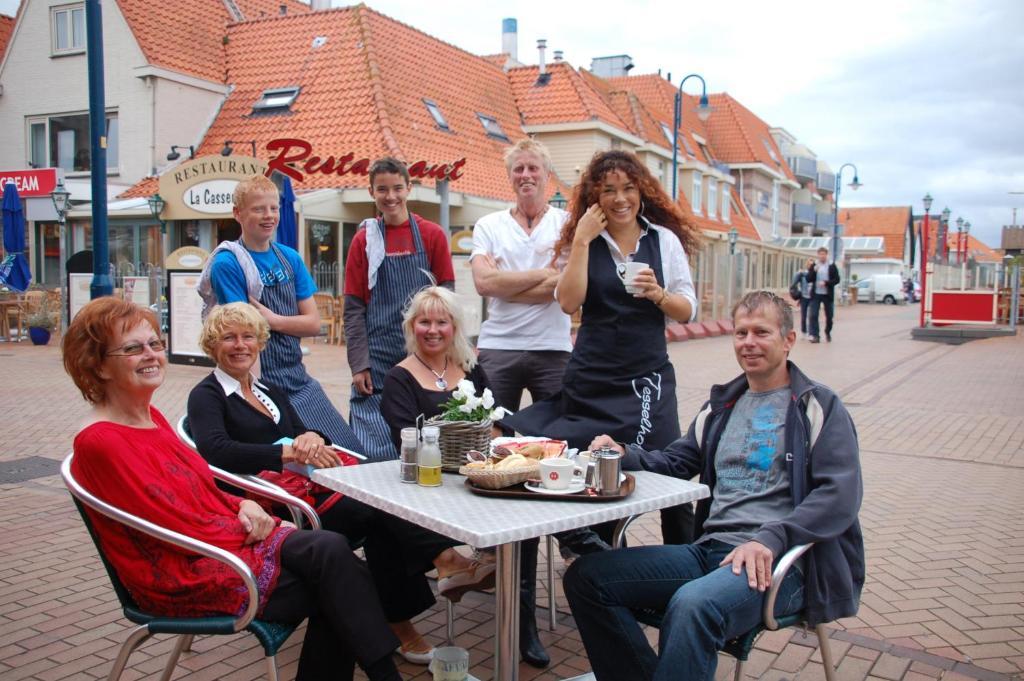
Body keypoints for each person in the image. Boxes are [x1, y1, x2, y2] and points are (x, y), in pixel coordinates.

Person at [64, 297, 405, 681]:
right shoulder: (102, 441)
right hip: (186, 574)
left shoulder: (150, 417)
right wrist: (270, 528)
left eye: (155, 344)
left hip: (218, 543)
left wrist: (242, 504)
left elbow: (197, 486)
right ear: (97, 365)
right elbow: (174, 524)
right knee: (339, 578)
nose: (151, 355)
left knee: (334, 557)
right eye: (132, 348)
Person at [565, 291, 865, 681]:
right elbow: (676, 461)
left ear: (788, 340)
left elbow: (839, 495)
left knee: (693, 605)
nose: (749, 342)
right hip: (709, 553)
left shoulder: (817, 406)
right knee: (587, 577)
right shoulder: (722, 406)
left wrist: (772, 539)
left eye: (762, 332)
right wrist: (624, 453)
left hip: (780, 565)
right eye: (741, 333)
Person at [187, 302, 496, 664]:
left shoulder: (268, 389)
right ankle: (444, 562)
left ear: (260, 343)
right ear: (212, 345)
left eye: (248, 337)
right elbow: (214, 451)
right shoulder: (206, 395)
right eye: (229, 338)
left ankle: (401, 623)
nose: (240, 345)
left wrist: (312, 439)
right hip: (276, 507)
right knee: (380, 507)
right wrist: (284, 455)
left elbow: (302, 432)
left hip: (309, 487)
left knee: (382, 526)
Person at [503, 149, 701, 546]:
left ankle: (683, 570)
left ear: (641, 191)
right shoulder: (584, 240)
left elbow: (688, 311)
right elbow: (568, 302)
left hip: (646, 381)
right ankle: (600, 556)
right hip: (591, 382)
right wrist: (580, 240)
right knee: (576, 463)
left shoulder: (663, 241)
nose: (620, 198)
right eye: (608, 190)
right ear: (596, 195)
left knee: (668, 477)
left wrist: (658, 294)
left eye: (628, 188)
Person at [469, 139, 610, 667]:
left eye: (535, 168)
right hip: (500, 351)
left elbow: (567, 290)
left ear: (548, 177)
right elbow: (484, 283)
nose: (527, 175)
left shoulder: (566, 226)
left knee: (559, 450)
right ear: (510, 177)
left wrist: (518, 284)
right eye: (519, 169)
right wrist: (544, 281)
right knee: (493, 449)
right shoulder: (489, 225)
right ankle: (492, 547)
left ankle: (563, 530)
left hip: (554, 350)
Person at [197, 174, 363, 453]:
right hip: (263, 382)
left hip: (299, 378)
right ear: (237, 213)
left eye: (274, 208)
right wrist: (254, 399)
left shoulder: (290, 258)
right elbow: (245, 336)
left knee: (350, 451)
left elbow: (313, 324)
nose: (269, 216)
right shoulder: (228, 263)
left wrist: (272, 320)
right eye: (258, 209)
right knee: (299, 460)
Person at [344, 157, 456, 461]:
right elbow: (353, 308)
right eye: (382, 189)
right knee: (377, 454)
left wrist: (450, 354)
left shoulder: (432, 235)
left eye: (396, 188)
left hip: (424, 353)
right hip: (378, 359)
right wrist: (358, 363)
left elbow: (447, 300)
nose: (390, 196)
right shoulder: (363, 242)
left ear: (409, 187)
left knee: (426, 450)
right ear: (371, 192)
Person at [380, 287, 495, 451]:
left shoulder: (470, 367)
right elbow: (409, 442)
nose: (433, 330)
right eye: (425, 322)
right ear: (412, 326)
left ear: (454, 328)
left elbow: (498, 422)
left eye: (442, 322)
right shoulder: (398, 379)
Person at [808, 246, 841, 343]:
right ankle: (816, 336)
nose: (822, 256)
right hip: (816, 294)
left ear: (826, 255)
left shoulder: (831, 265)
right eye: (820, 254)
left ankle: (827, 332)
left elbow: (837, 279)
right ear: (818, 255)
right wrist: (814, 270)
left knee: (829, 316)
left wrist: (826, 283)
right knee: (813, 315)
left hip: (827, 294)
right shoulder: (815, 265)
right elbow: (808, 278)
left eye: (824, 254)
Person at [791, 257, 814, 338]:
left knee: (811, 315)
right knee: (803, 315)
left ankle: (811, 332)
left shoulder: (814, 273)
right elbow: (794, 282)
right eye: (809, 264)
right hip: (804, 297)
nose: (810, 266)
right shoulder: (802, 273)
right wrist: (798, 273)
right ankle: (804, 331)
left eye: (811, 264)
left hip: (812, 297)